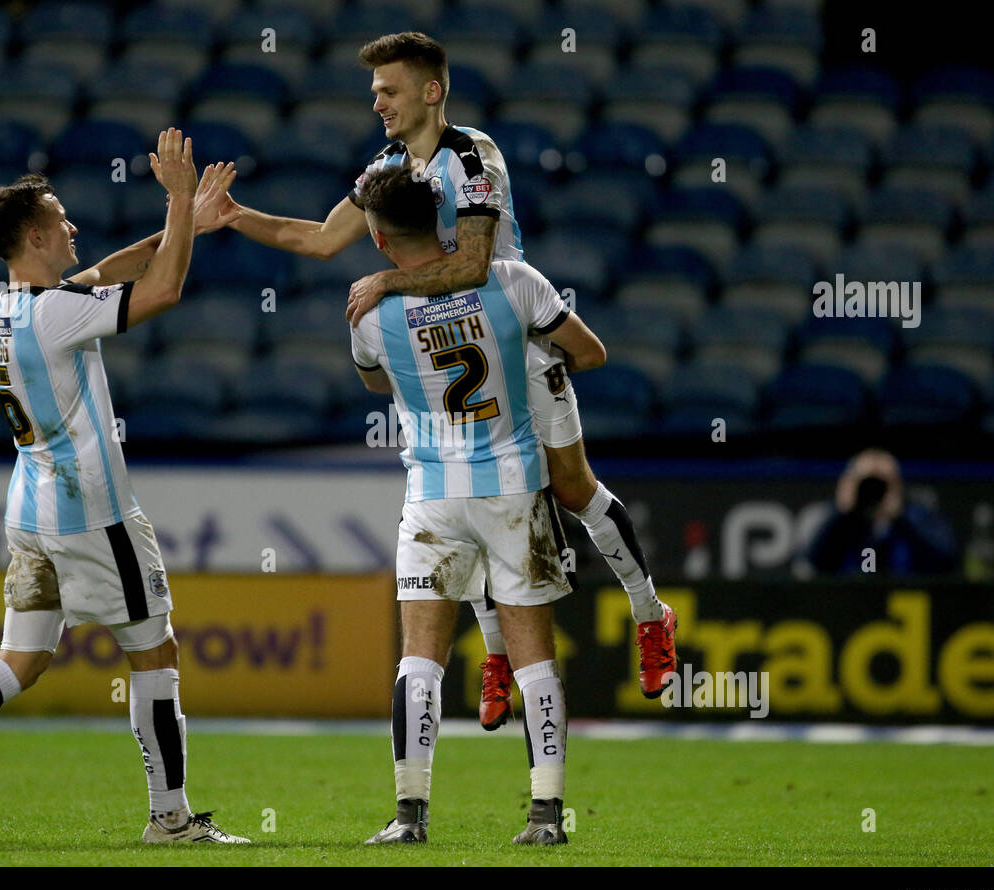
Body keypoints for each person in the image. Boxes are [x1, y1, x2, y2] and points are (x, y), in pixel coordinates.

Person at [217, 31, 677, 727]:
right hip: (445, 346)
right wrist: (233, 216)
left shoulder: (472, 155)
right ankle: (495, 650)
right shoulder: (386, 169)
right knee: (467, 487)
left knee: (571, 486)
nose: (378, 103)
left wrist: (386, 280)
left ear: (431, 91)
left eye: (389, 90)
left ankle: (650, 613)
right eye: (374, 92)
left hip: (514, 342)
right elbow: (314, 238)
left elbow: (472, 262)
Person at [0, 131, 252, 845]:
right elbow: (164, 289)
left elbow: (106, 272)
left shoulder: (7, 308)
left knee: (20, 660)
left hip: (30, 510)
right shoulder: (55, 315)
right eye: (61, 217)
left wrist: (183, 225)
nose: (73, 225)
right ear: (35, 234)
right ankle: (169, 819)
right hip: (94, 515)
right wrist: (177, 197)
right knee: (156, 653)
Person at [351, 164, 608, 844]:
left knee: (420, 660)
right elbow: (589, 352)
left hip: (432, 497)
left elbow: (376, 383)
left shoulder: (370, 312)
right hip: (513, 488)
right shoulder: (516, 282)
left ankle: (409, 817)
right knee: (533, 662)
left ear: (378, 240)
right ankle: (546, 817)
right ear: (440, 224)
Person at [806, 448, 959, 575]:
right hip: (848, 602)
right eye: (866, 483)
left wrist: (900, 518)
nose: (874, 490)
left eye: (882, 482)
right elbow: (813, 561)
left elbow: (945, 560)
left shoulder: (919, 517)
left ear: (898, 485)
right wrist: (843, 513)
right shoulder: (834, 519)